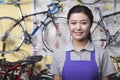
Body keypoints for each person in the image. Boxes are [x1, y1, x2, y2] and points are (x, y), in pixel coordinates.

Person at [50, 5, 117, 80]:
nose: (78, 27)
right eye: (73, 23)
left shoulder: (102, 54)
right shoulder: (58, 54)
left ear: (90, 25)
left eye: (83, 23)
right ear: (68, 25)